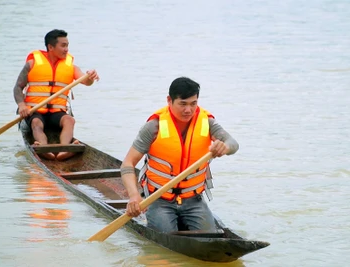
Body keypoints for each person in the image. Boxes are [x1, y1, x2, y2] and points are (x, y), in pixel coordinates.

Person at [120, 77, 239, 233]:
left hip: (193, 200)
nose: (188, 110)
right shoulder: (153, 126)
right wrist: (134, 196)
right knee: (166, 235)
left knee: (210, 235)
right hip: (159, 199)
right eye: (182, 104)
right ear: (169, 100)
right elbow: (127, 164)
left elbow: (233, 144)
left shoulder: (207, 122)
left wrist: (225, 147)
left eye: (193, 103)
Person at [13, 29, 99, 161]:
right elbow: (18, 87)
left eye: (67, 45)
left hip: (56, 113)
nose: (66, 49)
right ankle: (43, 148)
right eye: (63, 45)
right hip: (34, 111)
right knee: (36, 123)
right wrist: (21, 105)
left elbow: (86, 81)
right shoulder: (32, 64)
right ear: (50, 47)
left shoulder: (71, 66)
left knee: (69, 120)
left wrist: (91, 77)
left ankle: (64, 149)